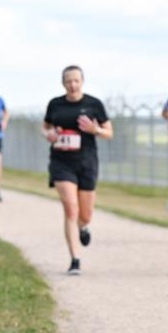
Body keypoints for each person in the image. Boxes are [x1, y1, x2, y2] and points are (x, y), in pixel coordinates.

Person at [42, 65, 113, 275]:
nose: (72, 85)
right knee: (70, 208)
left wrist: (95, 129)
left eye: (76, 81)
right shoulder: (55, 105)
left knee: (85, 214)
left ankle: (83, 227)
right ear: (63, 83)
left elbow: (109, 132)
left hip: (87, 161)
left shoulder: (93, 104)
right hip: (61, 162)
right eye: (68, 81)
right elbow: (45, 127)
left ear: (82, 81)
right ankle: (75, 259)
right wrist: (49, 134)